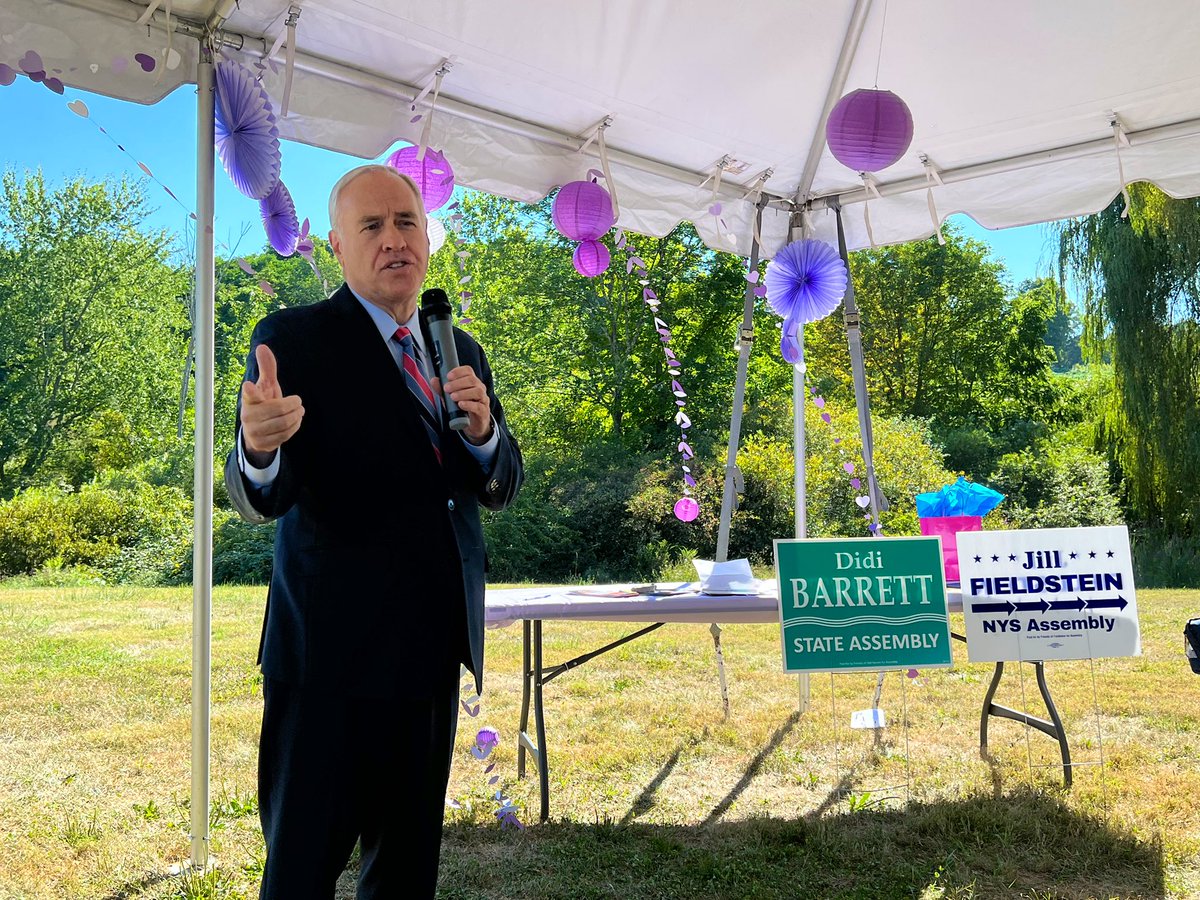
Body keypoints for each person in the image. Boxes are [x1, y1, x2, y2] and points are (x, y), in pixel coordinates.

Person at [224, 164, 523, 899]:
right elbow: (262, 494)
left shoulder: (460, 349)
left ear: (428, 235)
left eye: (407, 223)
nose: (394, 240)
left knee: (404, 872)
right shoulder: (294, 339)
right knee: (300, 870)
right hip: (330, 661)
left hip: (430, 658)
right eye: (372, 226)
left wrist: (484, 432)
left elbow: (500, 483)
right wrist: (258, 448)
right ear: (335, 245)